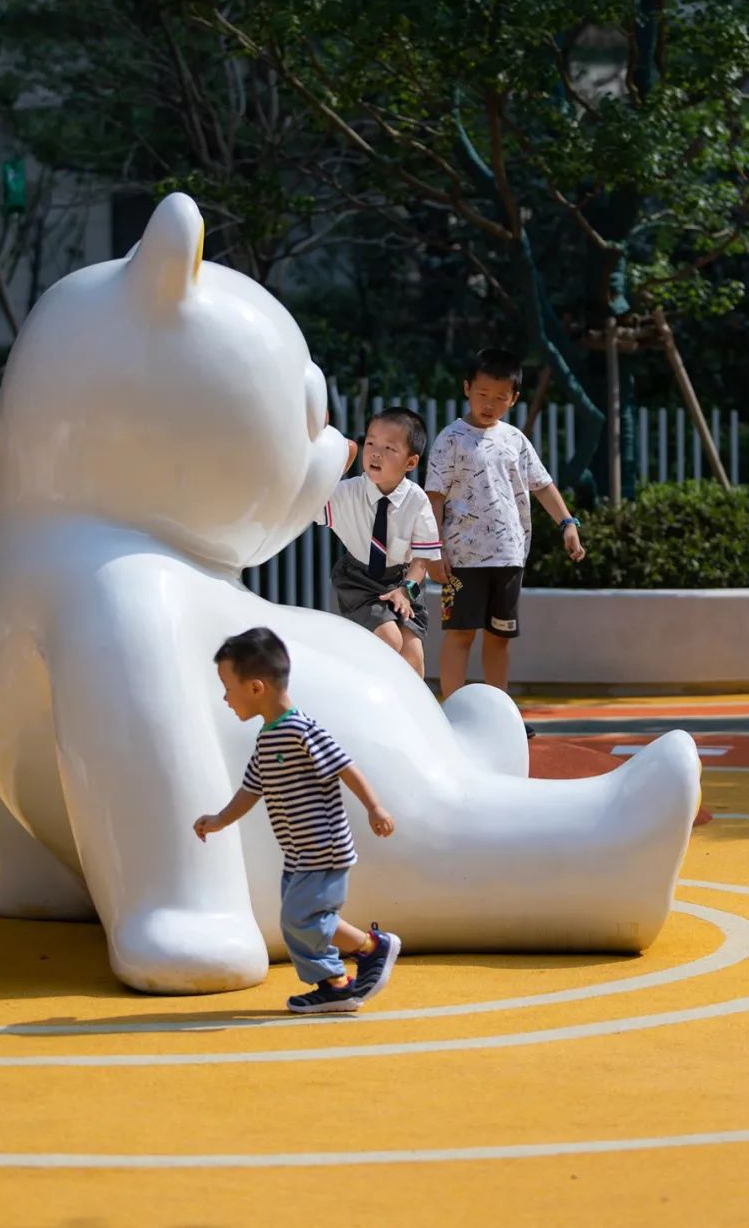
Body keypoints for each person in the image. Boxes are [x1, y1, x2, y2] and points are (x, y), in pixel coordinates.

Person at [193, 627, 401, 1015]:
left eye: (227, 686)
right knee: (301, 921)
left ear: (256, 688)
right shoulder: (267, 737)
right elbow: (250, 790)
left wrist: (376, 807)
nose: (224, 697)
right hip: (299, 853)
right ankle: (335, 984)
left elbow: (345, 766)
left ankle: (371, 950)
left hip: (324, 848)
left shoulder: (301, 728)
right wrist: (221, 818)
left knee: (300, 918)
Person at [425, 348, 586, 718]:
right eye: (482, 394)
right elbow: (433, 497)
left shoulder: (515, 440)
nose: (490, 403)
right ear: (467, 389)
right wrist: (434, 550)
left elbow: (543, 486)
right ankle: (452, 714)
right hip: (461, 559)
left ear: (514, 399)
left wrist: (568, 524)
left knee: (500, 638)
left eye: (500, 397)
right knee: (461, 634)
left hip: (508, 556)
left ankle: (501, 718)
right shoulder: (451, 439)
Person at [319, 406, 441, 676]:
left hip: (402, 582)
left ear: (410, 463)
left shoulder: (416, 500)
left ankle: (412, 715)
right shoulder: (347, 492)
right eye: (371, 442)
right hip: (359, 580)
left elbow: (421, 560)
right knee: (390, 639)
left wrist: (406, 590)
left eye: (389, 448)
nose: (375, 452)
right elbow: (308, 502)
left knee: (413, 656)